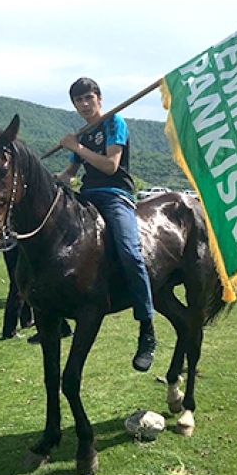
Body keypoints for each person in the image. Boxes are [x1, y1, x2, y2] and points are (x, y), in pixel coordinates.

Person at [56, 77, 157, 372]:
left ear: (99, 98)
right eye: (79, 100)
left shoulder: (114, 123)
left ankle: (147, 328)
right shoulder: (83, 133)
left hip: (115, 196)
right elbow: (70, 173)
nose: (85, 104)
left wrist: (77, 146)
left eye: (89, 98)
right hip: (87, 196)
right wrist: (50, 180)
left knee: (130, 252)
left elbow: (111, 166)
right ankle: (55, 316)